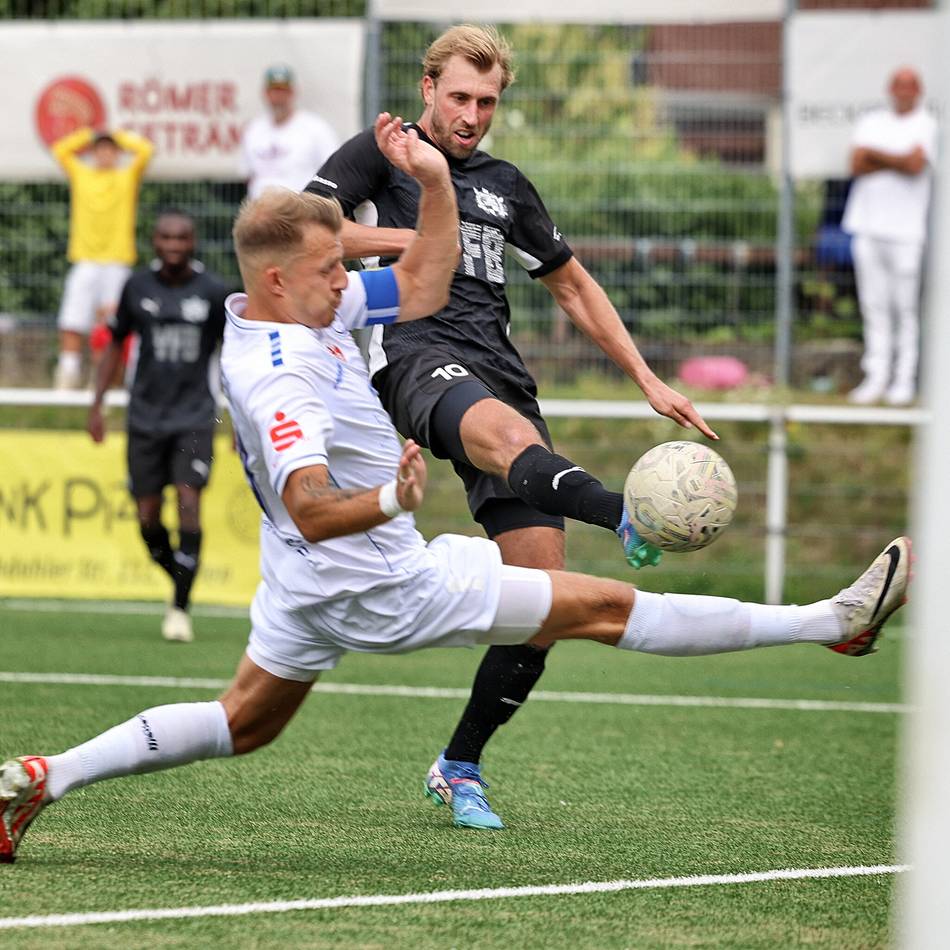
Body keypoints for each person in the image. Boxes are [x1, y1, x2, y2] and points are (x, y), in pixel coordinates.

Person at [0, 117, 911, 863]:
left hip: (303, 582)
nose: (346, 278)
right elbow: (312, 504)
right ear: (279, 280)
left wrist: (434, 183)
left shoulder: (301, 304)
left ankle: (47, 776)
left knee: (242, 722)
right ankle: (830, 621)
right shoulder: (279, 372)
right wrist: (393, 503)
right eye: (331, 267)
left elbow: (424, 278)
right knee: (598, 608)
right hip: (376, 578)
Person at [307, 24, 717, 829]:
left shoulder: (505, 185)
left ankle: (459, 765)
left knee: (544, 602)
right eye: (459, 96)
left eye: (487, 101)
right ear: (428, 89)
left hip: (499, 369)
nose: (472, 115)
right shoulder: (383, 152)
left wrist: (646, 377)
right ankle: (626, 514)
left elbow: (573, 286)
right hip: (414, 354)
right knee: (510, 443)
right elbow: (308, 232)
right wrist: (422, 237)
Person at [87, 211, 230, 644]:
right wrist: (97, 404)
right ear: (154, 241)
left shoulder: (213, 292)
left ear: (193, 241)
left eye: (181, 237)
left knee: (189, 501)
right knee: (147, 517)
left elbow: (232, 356)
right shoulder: (137, 287)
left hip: (194, 417)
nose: (173, 245)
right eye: (166, 237)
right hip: (145, 417)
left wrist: (241, 419)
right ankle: (181, 577)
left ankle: (179, 608)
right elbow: (115, 345)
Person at [843, 67, 937, 406]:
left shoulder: (927, 124)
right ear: (890, 89)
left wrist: (877, 156)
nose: (903, 91)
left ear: (918, 91)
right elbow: (857, 163)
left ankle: (904, 379)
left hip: (906, 232)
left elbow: (915, 165)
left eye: (909, 86)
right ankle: (876, 377)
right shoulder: (871, 121)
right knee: (874, 306)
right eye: (898, 85)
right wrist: (897, 159)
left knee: (905, 309)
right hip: (867, 227)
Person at [50, 126, 154, 390]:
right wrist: (89, 134)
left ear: (118, 153)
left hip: (117, 263)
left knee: (114, 325)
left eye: (111, 149)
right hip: (85, 260)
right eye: (100, 149)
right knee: (72, 319)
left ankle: (106, 380)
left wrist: (118, 136)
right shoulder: (82, 174)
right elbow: (60, 150)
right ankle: (68, 375)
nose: (105, 154)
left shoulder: (126, 177)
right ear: (93, 153)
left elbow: (146, 150)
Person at [240, 64, 340, 200]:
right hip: (260, 207)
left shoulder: (316, 129)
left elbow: (333, 173)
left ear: (293, 92)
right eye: (274, 91)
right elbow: (248, 174)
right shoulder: (254, 129)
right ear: (265, 93)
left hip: (300, 207)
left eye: (283, 91)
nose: (278, 97)